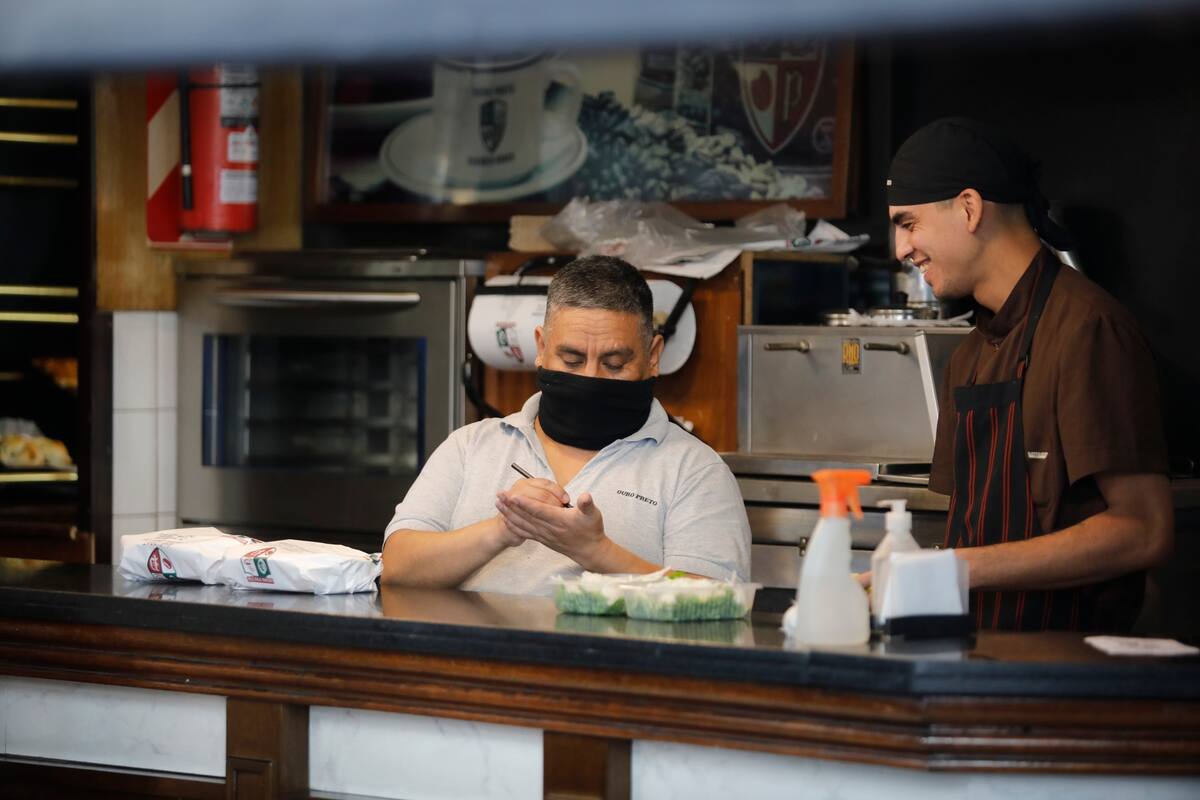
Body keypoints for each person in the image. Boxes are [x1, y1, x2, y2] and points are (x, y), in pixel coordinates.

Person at [885, 117, 1173, 632]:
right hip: (979, 653)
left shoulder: (1088, 330)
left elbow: (1144, 530)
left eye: (909, 223)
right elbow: (970, 534)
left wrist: (958, 569)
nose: (900, 249)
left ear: (969, 208)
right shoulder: (969, 357)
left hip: (1069, 663)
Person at [380, 255, 751, 594]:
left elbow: (717, 603)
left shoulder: (694, 471)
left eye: (614, 364)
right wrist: (503, 529)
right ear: (541, 348)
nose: (590, 377)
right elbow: (397, 567)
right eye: (572, 360)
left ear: (653, 357)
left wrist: (597, 551)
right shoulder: (471, 445)